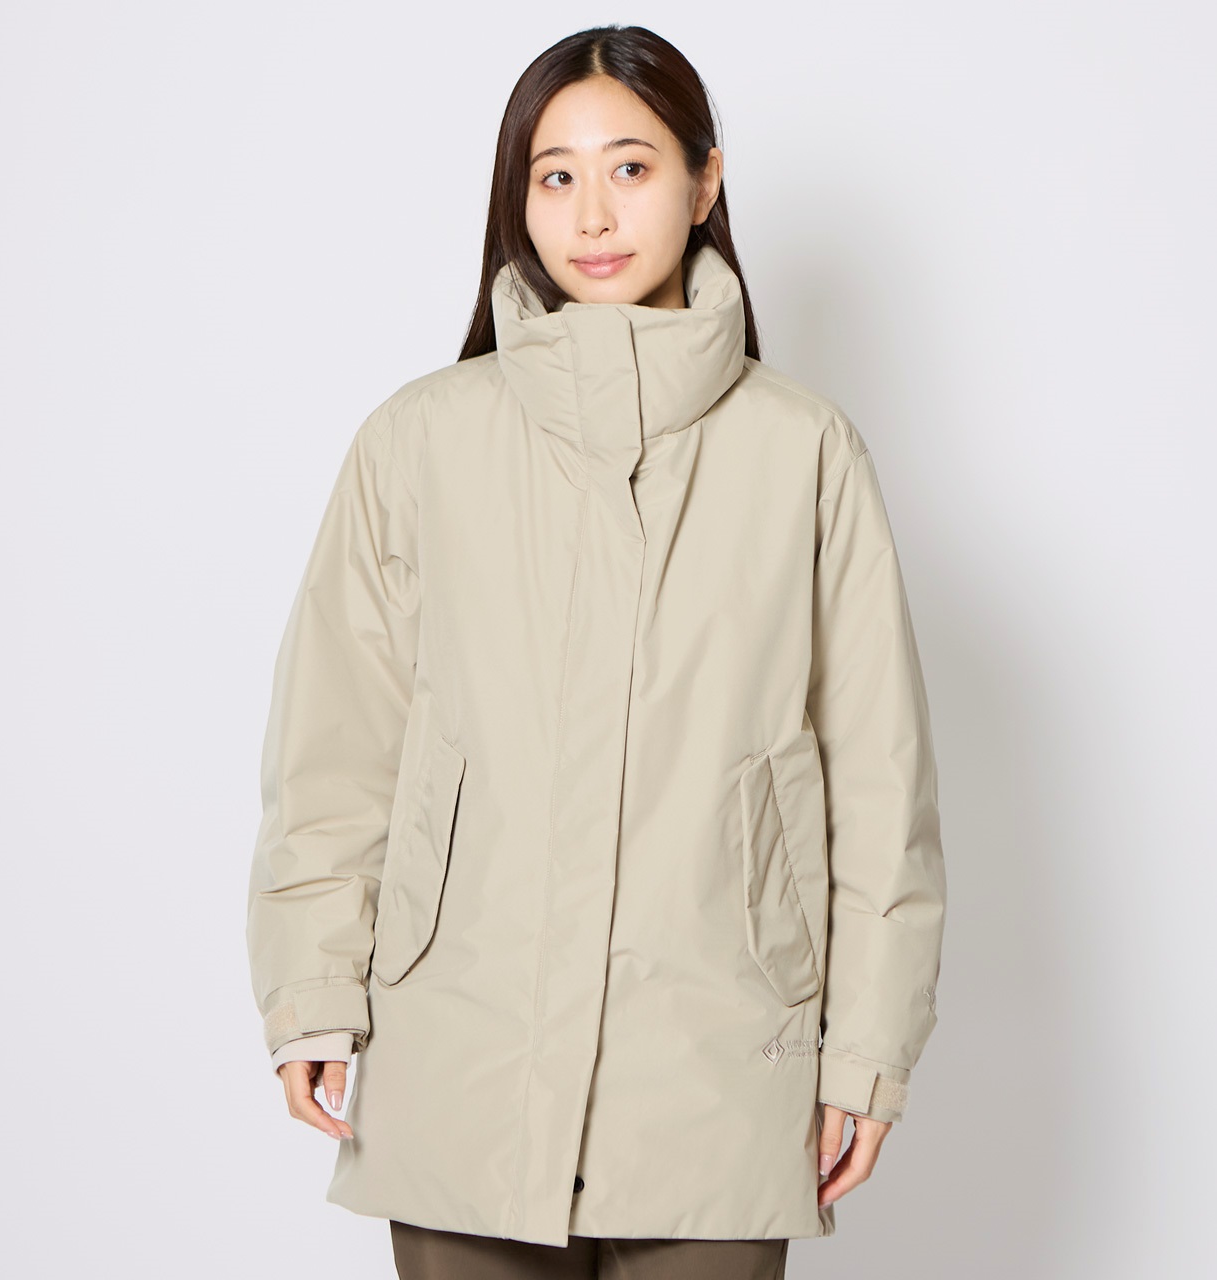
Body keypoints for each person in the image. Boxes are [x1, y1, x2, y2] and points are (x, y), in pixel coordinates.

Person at [246, 23, 946, 1280]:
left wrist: (867, 1048)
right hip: (463, 1051)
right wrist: (312, 987)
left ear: (703, 181)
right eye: (553, 175)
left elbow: (878, 781)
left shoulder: (803, 451)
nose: (591, 214)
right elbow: (335, 749)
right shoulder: (418, 441)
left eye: (629, 167)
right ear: (516, 200)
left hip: (719, 1060)